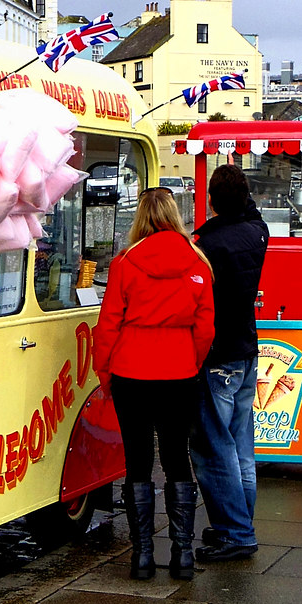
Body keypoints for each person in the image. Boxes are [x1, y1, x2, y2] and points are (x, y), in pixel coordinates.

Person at [94, 187, 214, 580]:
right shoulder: (197, 263)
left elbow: (109, 322)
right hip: (178, 369)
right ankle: (182, 554)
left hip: (132, 368)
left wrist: (105, 370)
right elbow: (205, 329)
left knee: (138, 460)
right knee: (178, 458)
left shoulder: (125, 263)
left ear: (141, 216)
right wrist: (190, 362)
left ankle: (142, 555)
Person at [189, 164, 269, 562]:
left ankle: (236, 532)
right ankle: (239, 522)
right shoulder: (258, 232)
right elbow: (250, 211)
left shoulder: (207, 242)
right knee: (241, 447)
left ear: (212, 200)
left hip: (217, 351)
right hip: (246, 347)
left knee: (213, 448)